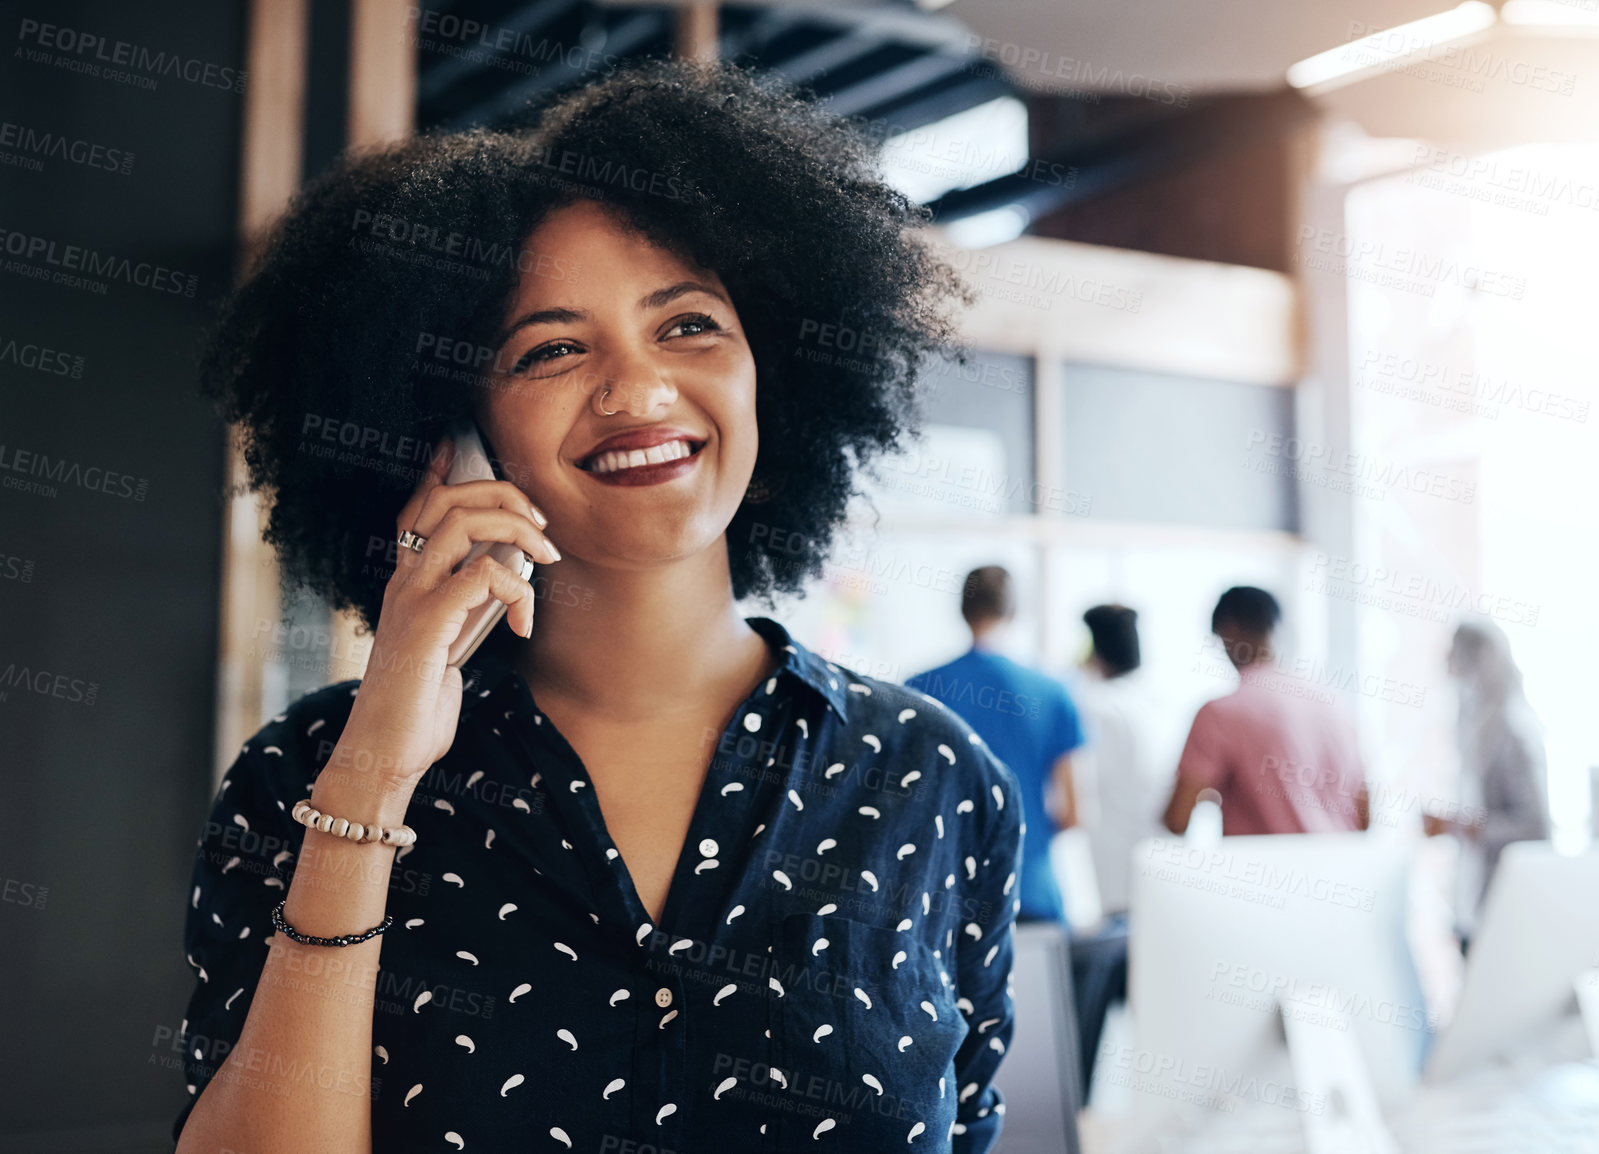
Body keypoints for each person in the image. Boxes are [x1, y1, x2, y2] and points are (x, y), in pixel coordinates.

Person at [173, 62, 1023, 1154]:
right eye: (553, 349)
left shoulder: (938, 779)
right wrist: (377, 765)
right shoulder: (306, 775)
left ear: (775, 372)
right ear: (450, 433)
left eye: (688, 327)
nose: (637, 390)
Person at [906, 566, 1083, 924]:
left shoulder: (920, 688)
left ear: (962, 610)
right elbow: (1074, 812)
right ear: (1013, 611)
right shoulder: (1053, 693)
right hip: (1028, 888)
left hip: (943, 896)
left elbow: (908, 800)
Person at [1164, 587, 1368, 836]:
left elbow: (1177, 819)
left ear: (1229, 629)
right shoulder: (1336, 706)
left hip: (1262, 872)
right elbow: (1365, 816)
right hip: (1342, 870)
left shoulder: (1220, 713)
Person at [1424, 619, 1549, 944]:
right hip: (1473, 910)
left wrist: (1459, 827)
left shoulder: (1512, 730)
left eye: (1457, 663)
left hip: (1507, 911)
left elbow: (1535, 827)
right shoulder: (1474, 725)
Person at [1071, 604, 1166, 915]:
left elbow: (1079, 785)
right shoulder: (1157, 701)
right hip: (1160, 857)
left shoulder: (1098, 706)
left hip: (1116, 865)